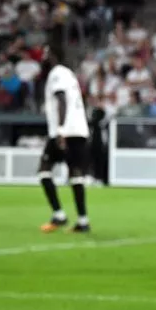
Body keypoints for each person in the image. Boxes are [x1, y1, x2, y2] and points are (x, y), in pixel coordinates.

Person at [38, 51, 92, 233]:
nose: (43, 58)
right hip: (79, 129)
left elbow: (62, 99)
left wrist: (61, 129)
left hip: (64, 131)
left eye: (46, 54)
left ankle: (59, 215)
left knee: (44, 170)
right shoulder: (69, 74)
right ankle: (83, 221)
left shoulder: (56, 73)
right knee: (76, 174)